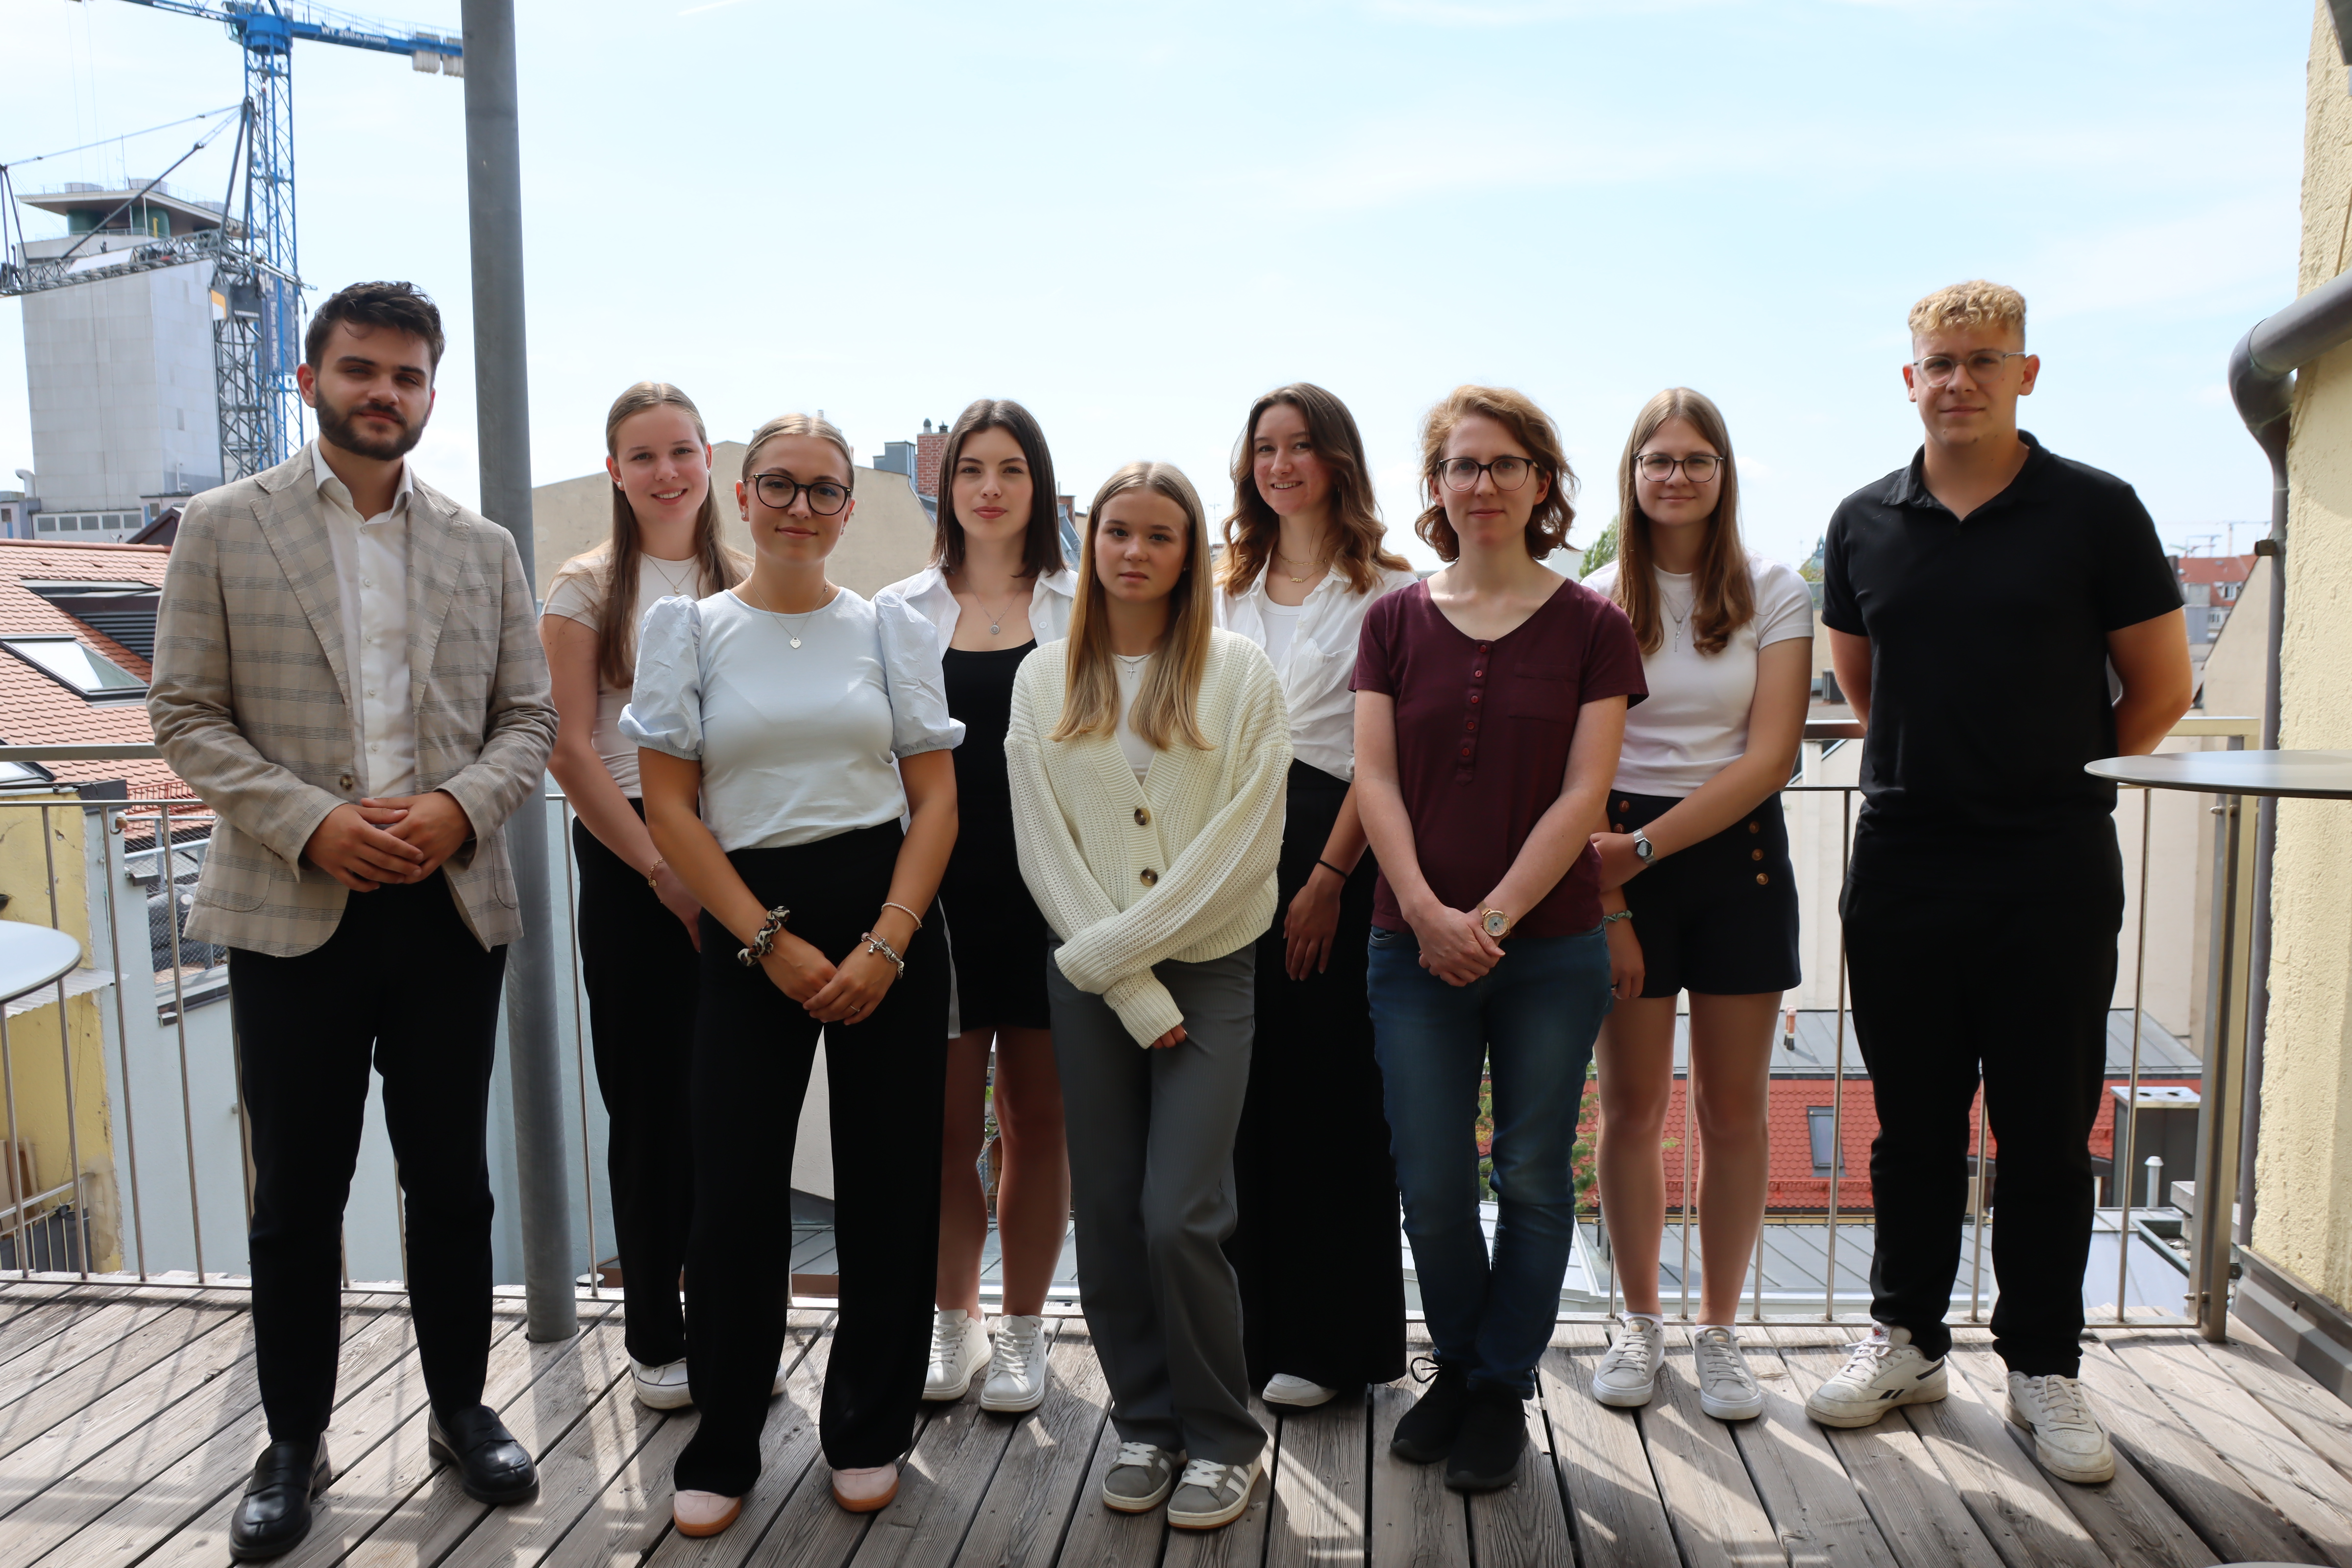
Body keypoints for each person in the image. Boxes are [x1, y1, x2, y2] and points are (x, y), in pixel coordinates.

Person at [148, 280, 556, 1561]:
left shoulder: (485, 548)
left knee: (452, 1186)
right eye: (363, 369)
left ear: (432, 392)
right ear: (312, 379)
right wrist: (310, 822)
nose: (387, 393)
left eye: (409, 375)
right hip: (290, 907)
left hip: (447, 907)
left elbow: (530, 724)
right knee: (298, 1202)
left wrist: (455, 811)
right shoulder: (223, 528)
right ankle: (291, 1441)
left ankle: (460, 1410)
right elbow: (183, 713)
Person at [1806, 282, 2192, 1486]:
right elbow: (1865, 693)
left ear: (2027, 374)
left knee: (2043, 1125)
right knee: (1911, 1121)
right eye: (1939, 362)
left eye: (1984, 360)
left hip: (2051, 860)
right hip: (1908, 856)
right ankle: (1909, 1340)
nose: (1959, 379)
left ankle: (2043, 1368)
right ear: (1908, 379)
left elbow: (2162, 690)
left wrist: (2037, 779)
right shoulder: (1864, 521)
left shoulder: (2097, 511)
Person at [624, 414, 961, 1534]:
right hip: (745, 919)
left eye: (825, 491)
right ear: (740, 490)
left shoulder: (891, 629)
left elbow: (937, 801)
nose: (801, 509)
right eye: (780, 486)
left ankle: (868, 1425)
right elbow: (668, 803)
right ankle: (723, 1438)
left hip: (889, 916)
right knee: (729, 1191)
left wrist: (888, 941)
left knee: (888, 1184)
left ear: (849, 509)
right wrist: (766, 939)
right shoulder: (689, 629)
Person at [1354, 385, 1644, 1493]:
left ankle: (1496, 1385)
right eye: (1461, 466)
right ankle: (1464, 1367)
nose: (1482, 484)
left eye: (1504, 464)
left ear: (1542, 484)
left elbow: (1586, 795)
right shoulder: (1393, 619)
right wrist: (1427, 913)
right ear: (1434, 487)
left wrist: (1492, 921)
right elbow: (1374, 776)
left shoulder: (1593, 624)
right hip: (1409, 945)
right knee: (1430, 1182)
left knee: (1530, 1174)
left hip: (1552, 945)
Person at [1006, 462, 1290, 1532]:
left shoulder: (1240, 671)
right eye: (1117, 530)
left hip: (1209, 970)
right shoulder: (1044, 680)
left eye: (1160, 534)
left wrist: (1130, 959)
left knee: (1183, 1212)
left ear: (1189, 552)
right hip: (1093, 978)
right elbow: (1045, 846)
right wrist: (1124, 984)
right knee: (1111, 1211)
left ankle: (1224, 1437)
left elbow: (1244, 842)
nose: (1134, 550)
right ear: (1092, 544)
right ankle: (1145, 1422)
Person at [1579, 389, 1813, 1422]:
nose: (1677, 476)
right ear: (1632, 475)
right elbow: (1572, 761)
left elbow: (1770, 757)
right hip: (1615, 868)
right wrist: (1616, 893)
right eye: (1658, 459)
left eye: (1698, 459)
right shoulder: (1588, 597)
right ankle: (1639, 1324)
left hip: (1734, 860)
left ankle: (1721, 1333)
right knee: (1630, 1109)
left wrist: (1638, 851)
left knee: (1734, 1109)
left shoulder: (1774, 590)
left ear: (1725, 472)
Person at [541, 383, 747, 1408]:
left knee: (727, 1107)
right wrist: (661, 869)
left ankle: (727, 1320)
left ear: (710, 459)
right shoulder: (585, 586)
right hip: (631, 869)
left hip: (734, 862)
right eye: (643, 454)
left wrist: (712, 868)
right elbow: (573, 752)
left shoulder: (744, 581)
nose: (666, 471)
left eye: (682, 450)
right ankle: (655, 1333)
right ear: (615, 469)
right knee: (647, 1107)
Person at [1213, 383, 1414, 1408]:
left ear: (1337, 458)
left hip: (1338, 846)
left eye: (1301, 446)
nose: (1281, 464)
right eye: (1264, 448)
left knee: (1335, 1093)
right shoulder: (1223, 584)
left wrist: (1329, 878)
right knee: (1244, 1098)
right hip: (1230, 848)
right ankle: (1256, 1335)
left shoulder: (1388, 588)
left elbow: (1384, 757)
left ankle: (1339, 1344)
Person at [882, 399, 1077, 1414]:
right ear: (945, 486)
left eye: (1010, 468)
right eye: (971, 470)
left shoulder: (1081, 604)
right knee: (945, 1130)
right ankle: (950, 1325)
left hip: (1053, 892)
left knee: (1039, 1120)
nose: (990, 487)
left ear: (1037, 485)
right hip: (940, 896)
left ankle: (1024, 1331)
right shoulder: (897, 610)